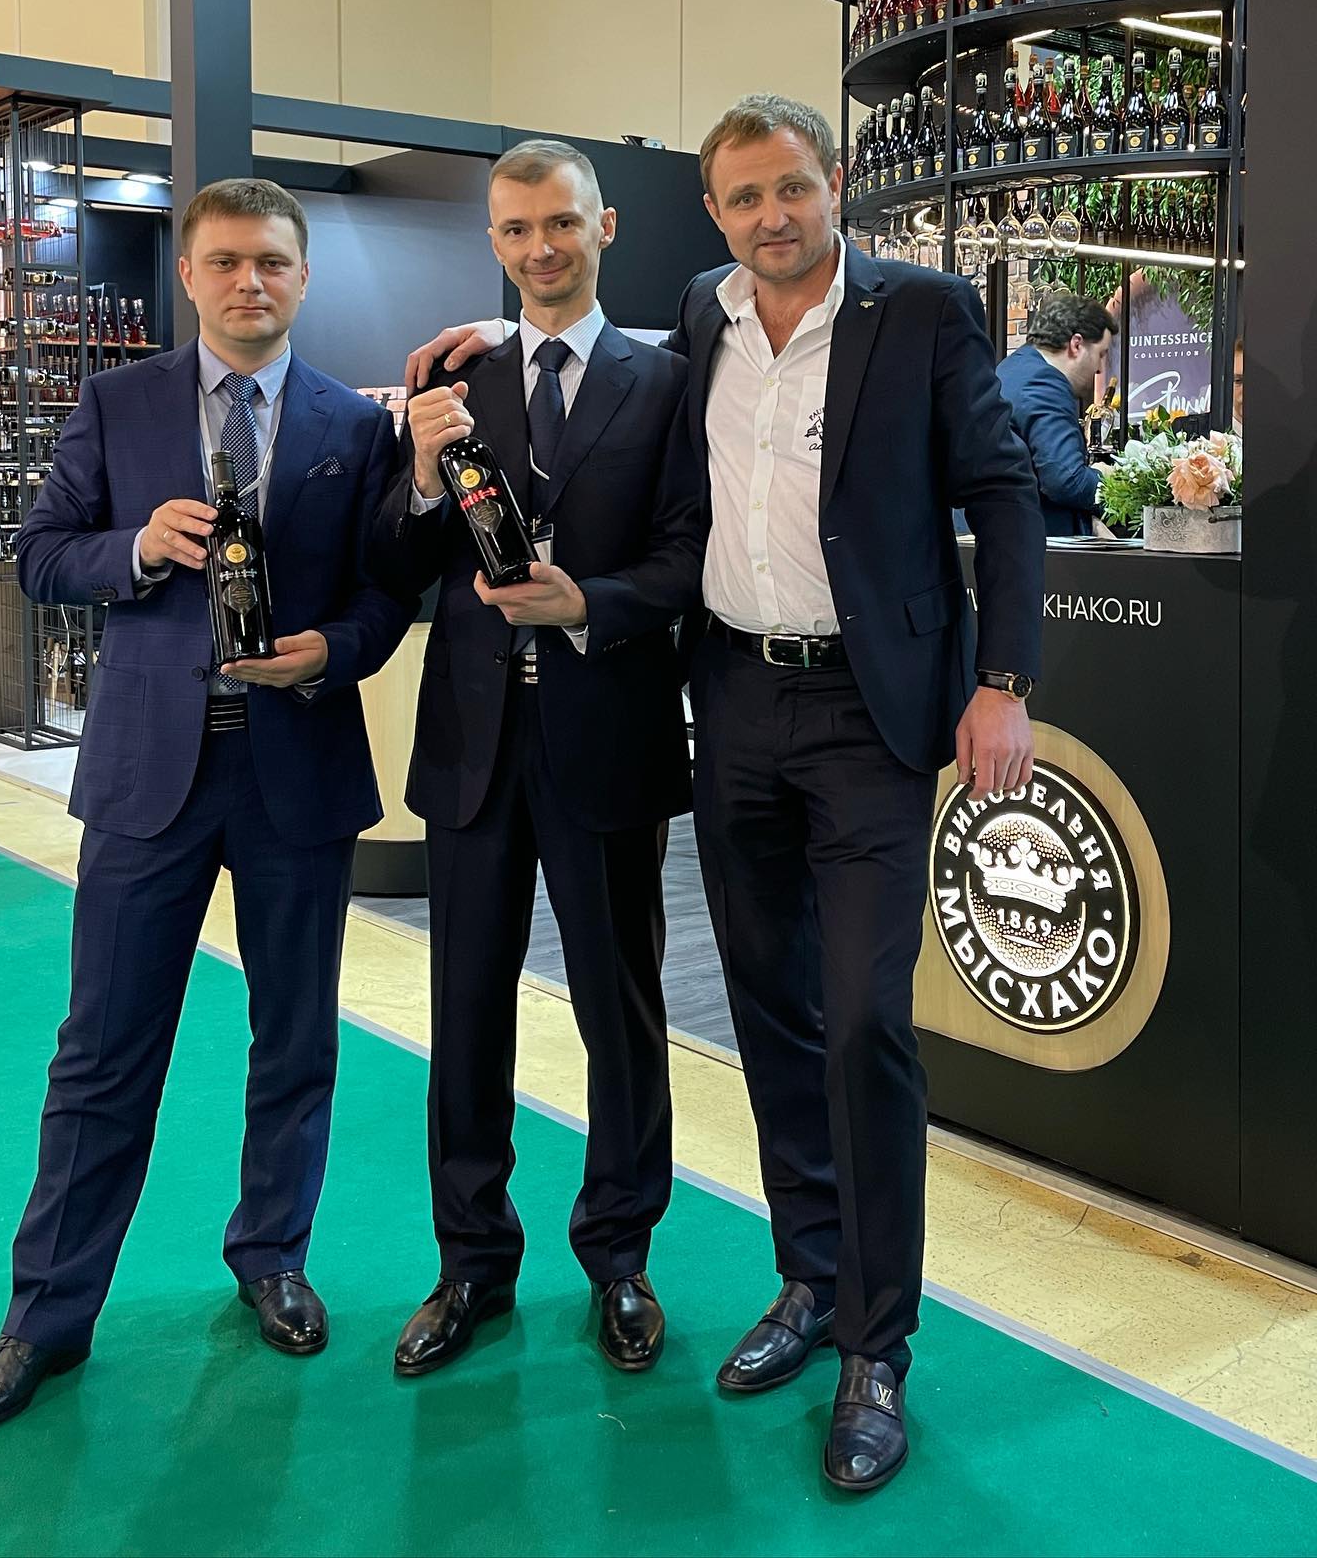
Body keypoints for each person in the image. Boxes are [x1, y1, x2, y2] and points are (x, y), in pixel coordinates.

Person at [405, 94, 1044, 1494]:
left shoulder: (924, 313)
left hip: (872, 715)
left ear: (836, 183)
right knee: (769, 1010)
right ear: (712, 213)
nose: (772, 215)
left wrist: (1003, 678)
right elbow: (592, 367)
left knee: (866, 1019)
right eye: (745, 196)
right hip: (736, 700)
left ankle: (878, 1344)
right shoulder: (702, 314)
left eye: (791, 188)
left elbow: (1003, 494)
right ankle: (809, 1279)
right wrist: (483, 345)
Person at [0, 179, 414, 1436]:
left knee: (295, 1035)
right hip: (150, 773)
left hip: (296, 769)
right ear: (190, 275)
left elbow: (385, 597)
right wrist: (138, 547)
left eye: (272, 262)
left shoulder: (351, 426)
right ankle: (44, 1317)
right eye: (226, 261)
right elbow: (41, 556)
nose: (250, 281)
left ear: (301, 276)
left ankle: (273, 1256)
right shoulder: (120, 403)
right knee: (102, 1047)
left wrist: (331, 652)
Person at [370, 140, 703, 1378]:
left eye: (560, 223)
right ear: (493, 241)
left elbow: (690, 558)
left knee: (622, 1009)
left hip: (606, 735)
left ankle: (620, 1255)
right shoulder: (451, 381)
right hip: (473, 747)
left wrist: (589, 604)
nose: (539, 248)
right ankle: (470, 1262)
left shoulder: (666, 384)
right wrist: (418, 474)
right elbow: (394, 562)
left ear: (603, 226)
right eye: (515, 229)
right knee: (465, 1009)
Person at [995, 289, 1118, 535]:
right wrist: (1117, 486)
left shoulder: (1012, 368)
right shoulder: (1044, 383)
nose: (1100, 368)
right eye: (1101, 354)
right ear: (1076, 345)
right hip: (1028, 539)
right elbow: (1066, 480)